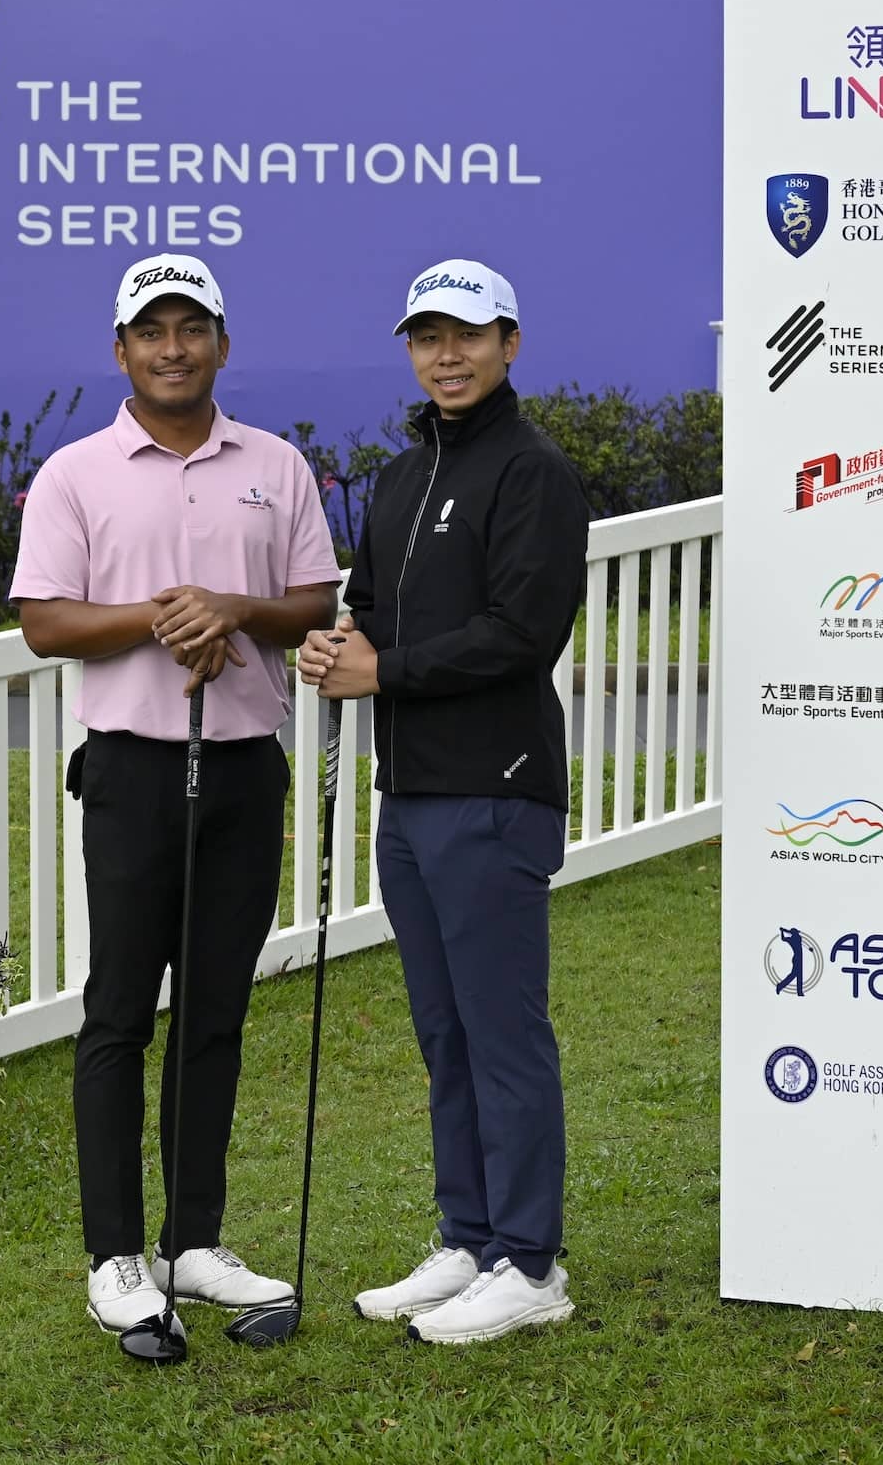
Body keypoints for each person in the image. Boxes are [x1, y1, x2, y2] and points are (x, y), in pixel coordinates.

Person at [10, 253, 340, 1339]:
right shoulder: (75, 472)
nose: (171, 346)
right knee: (117, 1015)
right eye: (149, 329)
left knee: (215, 1012)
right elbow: (48, 621)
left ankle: (193, 1241)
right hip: (133, 770)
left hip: (245, 767)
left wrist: (230, 608)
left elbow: (309, 602)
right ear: (120, 351)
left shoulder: (278, 464)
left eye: (190, 326)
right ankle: (117, 1254)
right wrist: (169, 615)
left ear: (221, 343)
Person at [299, 257, 590, 1347]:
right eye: (427, 336)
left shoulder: (534, 472)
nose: (447, 354)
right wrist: (342, 641)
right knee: (444, 1030)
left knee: (503, 1033)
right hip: (412, 792)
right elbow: (372, 607)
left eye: (468, 334)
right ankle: (468, 1237)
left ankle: (531, 1260)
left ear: (510, 343)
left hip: (496, 789)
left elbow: (524, 631)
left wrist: (386, 670)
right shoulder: (399, 474)